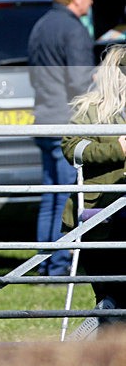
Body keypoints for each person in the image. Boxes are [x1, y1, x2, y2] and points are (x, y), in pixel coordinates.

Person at [28, 0, 95, 276]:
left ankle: (44, 263)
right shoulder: (74, 29)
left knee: (51, 194)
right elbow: (80, 80)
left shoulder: (41, 26)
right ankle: (57, 267)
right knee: (67, 196)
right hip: (66, 119)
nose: (91, 0)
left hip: (43, 117)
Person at [62, 45, 126, 323]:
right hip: (102, 217)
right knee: (112, 296)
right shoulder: (90, 109)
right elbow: (72, 148)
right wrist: (117, 148)